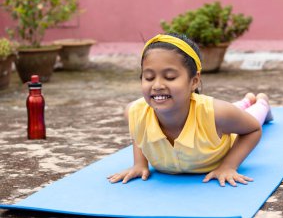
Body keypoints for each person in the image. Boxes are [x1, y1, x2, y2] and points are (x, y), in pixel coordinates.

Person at [108, 33, 273, 187]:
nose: (157, 85)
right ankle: (246, 100)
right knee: (232, 110)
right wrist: (139, 164)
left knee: (250, 115)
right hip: (216, 118)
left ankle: (261, 102)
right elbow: (139, 131)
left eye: (170, 77)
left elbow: (252, 129)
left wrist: (229, 166)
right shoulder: (134, 112)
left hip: (223, 130)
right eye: (149, 77)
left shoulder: (217, 113)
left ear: (194, 81)